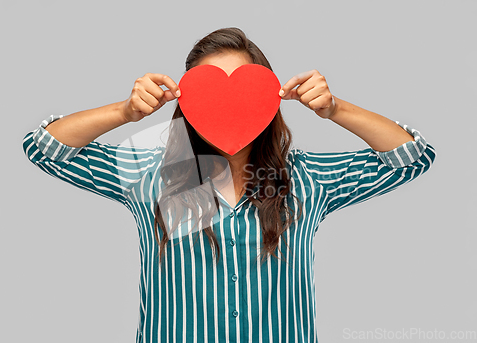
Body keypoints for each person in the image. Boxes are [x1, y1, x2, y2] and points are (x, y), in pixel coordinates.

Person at [22, 27, 436, 343]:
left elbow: (412, 158)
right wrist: (124, 111)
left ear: (269, 96)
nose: (228, 101)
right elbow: (44, 148)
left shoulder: (307, 179)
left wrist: (335, 109)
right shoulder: (148, 174)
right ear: (186, 100)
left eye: (242, 84)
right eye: (211, 88)